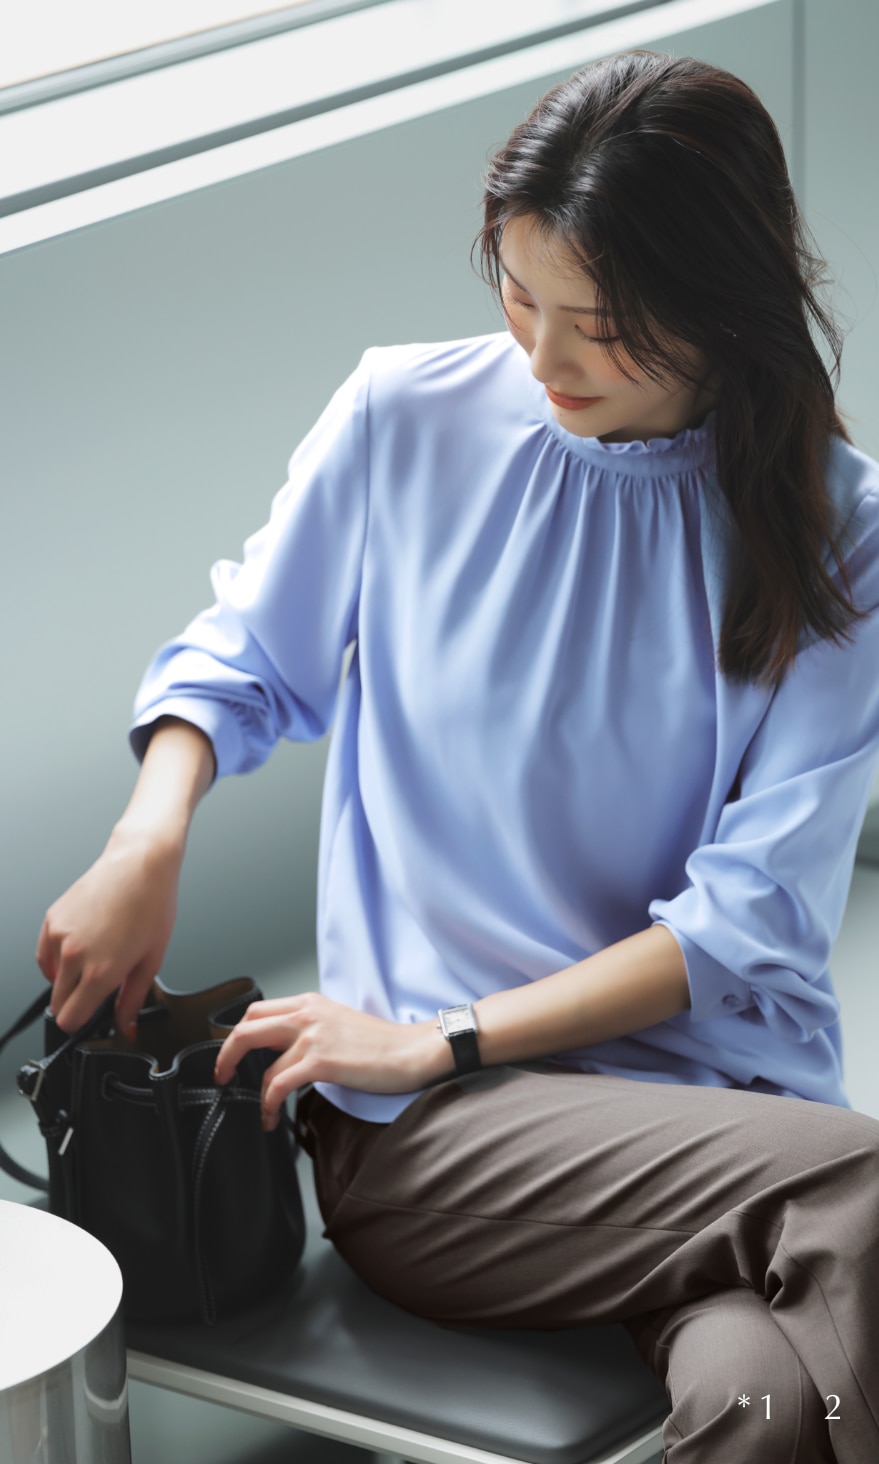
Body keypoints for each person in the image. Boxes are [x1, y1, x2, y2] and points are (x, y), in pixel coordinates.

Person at [36, 49, 879, 1463]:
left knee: (770, 1404)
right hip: (436, 1124)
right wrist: (147, 838)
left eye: (599, 326)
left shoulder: (842, 527)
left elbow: (749, 923)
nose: (542, 360)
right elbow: (242, 661)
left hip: (723, 1128)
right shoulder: (405, 420)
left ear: (722, 306)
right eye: (519, 296)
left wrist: (455, 1027)